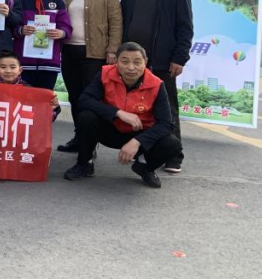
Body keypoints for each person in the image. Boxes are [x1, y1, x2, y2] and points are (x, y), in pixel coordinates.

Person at [63, 42, 183, 188]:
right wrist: (118, 113)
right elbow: (84, 101)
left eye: (137, 62)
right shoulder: (105, 74)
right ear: (116, 62)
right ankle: (84, 163)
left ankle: (145, 167)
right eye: (125, 62)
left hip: (139, 134)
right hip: (110, 129)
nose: (131, 67)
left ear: (145, 62)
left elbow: (166, 123)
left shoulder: (157, 84)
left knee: (172, 143)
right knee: (86, 117)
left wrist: (137, 141)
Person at [120, 0, 193, 173]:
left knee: (168, 109)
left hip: (162, 62)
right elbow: (123, 25)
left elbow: (185, 29)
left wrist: (179, 58)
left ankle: (174, 155)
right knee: (134, 107)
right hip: (131, 64)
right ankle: (142, 150)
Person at [56, 0, 123, 154]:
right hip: (69, 51)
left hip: (95, 54)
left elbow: (116, 23)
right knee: (75, 97)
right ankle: (79, 138)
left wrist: (113, 50)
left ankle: (89, 143)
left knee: (89, 100)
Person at [14, 0, 71, 90]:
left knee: (45, 98)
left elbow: (66, 26)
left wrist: (61, 33)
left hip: (49, 62)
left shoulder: (56, 0)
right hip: (23, 62)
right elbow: (10, 25)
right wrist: (21, 30)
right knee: (24, 98)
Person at [0, 50, 61, 117]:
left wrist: (52, 108)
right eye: (3, 67)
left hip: (19, 127)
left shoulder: (28, 90)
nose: (8, 71)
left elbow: (37, 118)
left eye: (13, 67)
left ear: (20, 70)